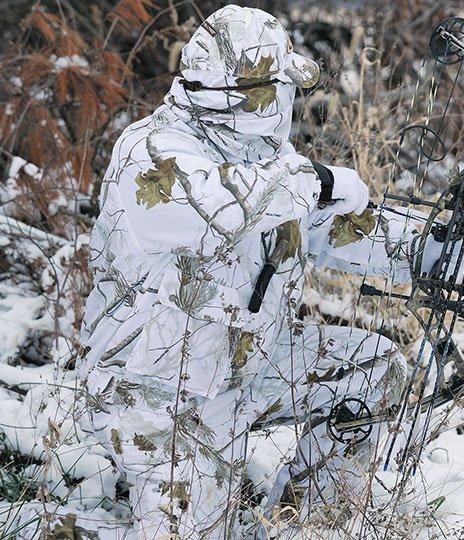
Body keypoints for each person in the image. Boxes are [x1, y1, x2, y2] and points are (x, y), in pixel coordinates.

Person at [74, 5, 426, 538]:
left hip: (247, 369)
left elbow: (330, 229)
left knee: (370, 369)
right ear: (246, 100)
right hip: (155, 395)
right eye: (279, 87)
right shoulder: (149, 154)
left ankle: (310, 523)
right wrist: (322, 181)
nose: (288, 101)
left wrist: (427, 251)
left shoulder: (264, 157)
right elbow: (224, 207)